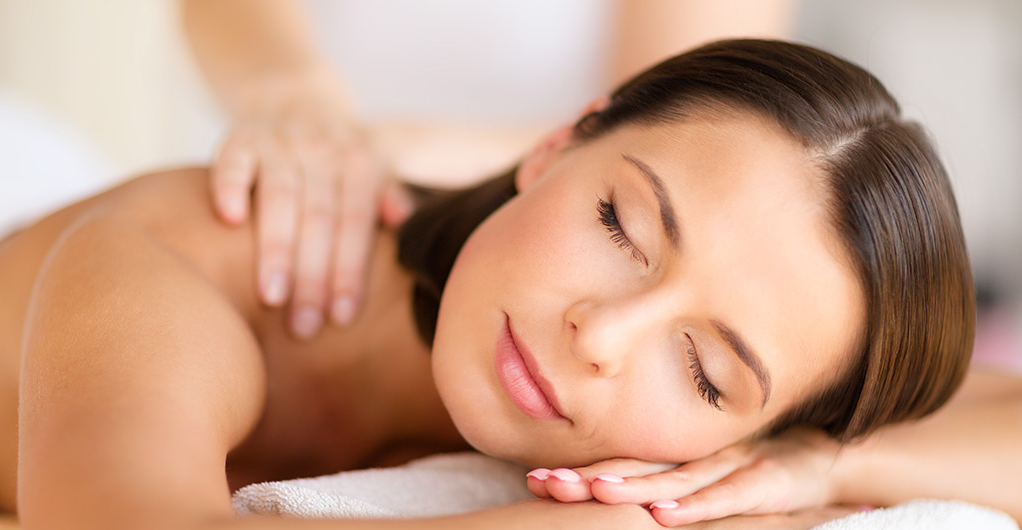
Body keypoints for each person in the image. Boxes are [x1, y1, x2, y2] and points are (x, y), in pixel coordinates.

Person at [0, 39, 1018, 530]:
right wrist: (592, 528)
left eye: (705, 372)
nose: (601, 334)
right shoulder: (183, 264)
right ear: (556, 146)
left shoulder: (778, 403)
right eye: (620, 225)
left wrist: (821, 465)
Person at [180, 0, 797, 339]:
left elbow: (692, 141)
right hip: (290, 170)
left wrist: (401, 151)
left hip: (502, 215)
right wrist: (296, 102)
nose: (599, 338)